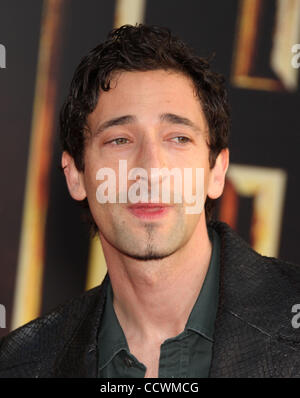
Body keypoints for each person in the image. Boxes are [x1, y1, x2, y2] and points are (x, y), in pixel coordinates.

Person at [0, 24, 299, 378]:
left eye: (178, 138)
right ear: (75, 175)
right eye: (120, 140)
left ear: (217, 171)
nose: (151, 169)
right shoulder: (19, 365)